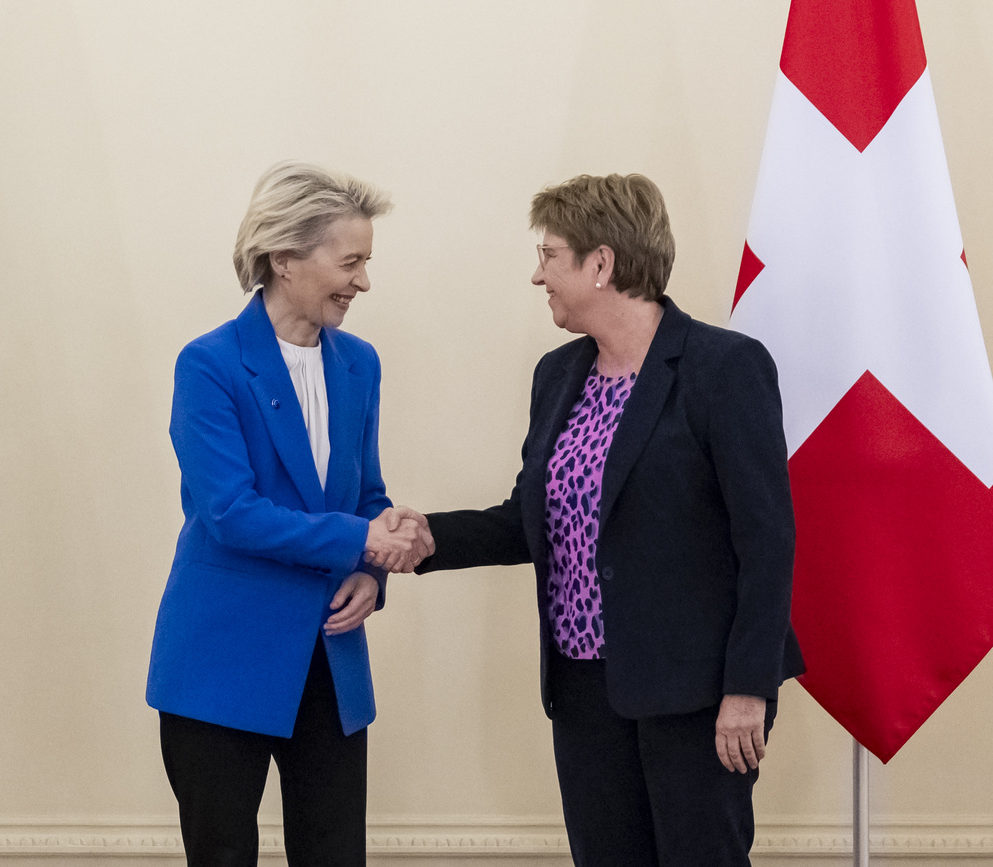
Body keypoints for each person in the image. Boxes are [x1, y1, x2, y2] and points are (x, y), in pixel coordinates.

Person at [402, 174, 804, 866]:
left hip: (696, 695)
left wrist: (748, 687)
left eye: (549, 254)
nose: (538, 275)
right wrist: (430, 536)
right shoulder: (558, 375)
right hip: (586, 693)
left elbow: (767, 541)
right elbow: (535, 520)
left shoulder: (722, 367)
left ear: (601, 262)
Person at [146, 160, 432, 867]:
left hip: (329, 660)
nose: (363, 280)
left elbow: (365, 493)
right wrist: (360, 537)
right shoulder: (208, 365)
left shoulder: (359, 362)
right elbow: (231, 512)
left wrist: (373, 567)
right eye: (351, 261)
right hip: (220, 661)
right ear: (283, 257)